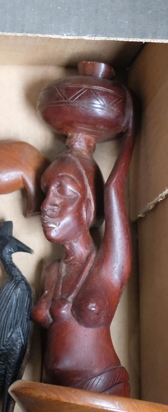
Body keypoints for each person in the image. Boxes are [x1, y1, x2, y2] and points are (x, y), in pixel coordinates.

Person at [32, 126, 135, 397]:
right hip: (55, 395)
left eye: (64, 191)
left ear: (89, 205)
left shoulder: (107, 265)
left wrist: (130, 128)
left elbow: (113, 188)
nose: (46, 205)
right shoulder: (51, 271)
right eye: (46, 191)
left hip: (103, 390)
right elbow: (45, 353)